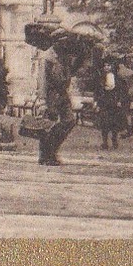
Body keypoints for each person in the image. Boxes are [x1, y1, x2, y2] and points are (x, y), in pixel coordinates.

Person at [36, 29, 84, 166]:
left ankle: (51, 151)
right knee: (48, 125)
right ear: (56, 42)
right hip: (51, 94)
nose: (65, 44)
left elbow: (74, 71)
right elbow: (43, 79)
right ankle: (46, 155)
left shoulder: (65, 57)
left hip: (62, 93)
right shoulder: (48, 57)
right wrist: (43, 100)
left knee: (69, 121)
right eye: (63, 42)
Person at [93, 57, 130, 150]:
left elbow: (123, 91)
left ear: (112, 66)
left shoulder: (118, 79)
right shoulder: (100, 78)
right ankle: (105, 142)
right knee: (104, 123)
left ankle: (114, 140)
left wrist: (120, 100)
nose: (106, 67)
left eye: (108, 65)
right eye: (105, 66)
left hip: (114, 103)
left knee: (114, 123)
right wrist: (96, 102)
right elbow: (97, 92)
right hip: (104, 103)